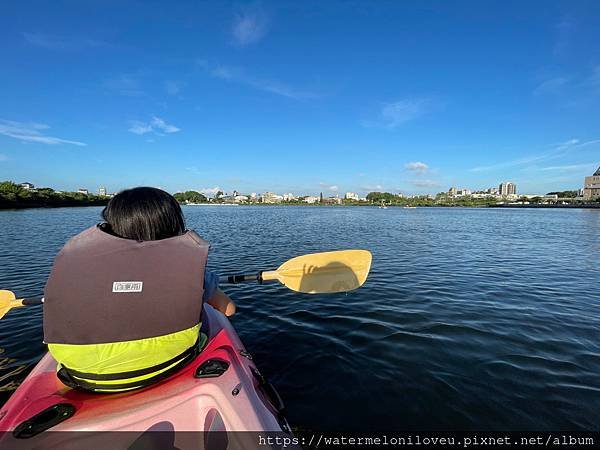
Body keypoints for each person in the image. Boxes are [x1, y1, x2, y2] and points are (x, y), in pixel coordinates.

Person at [43, 187, 235, 392]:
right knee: (204, 309)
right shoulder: (186, 267)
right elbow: (229, 309)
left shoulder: (77, 265)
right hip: (168, 366)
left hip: (79, 375)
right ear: (172, 223)